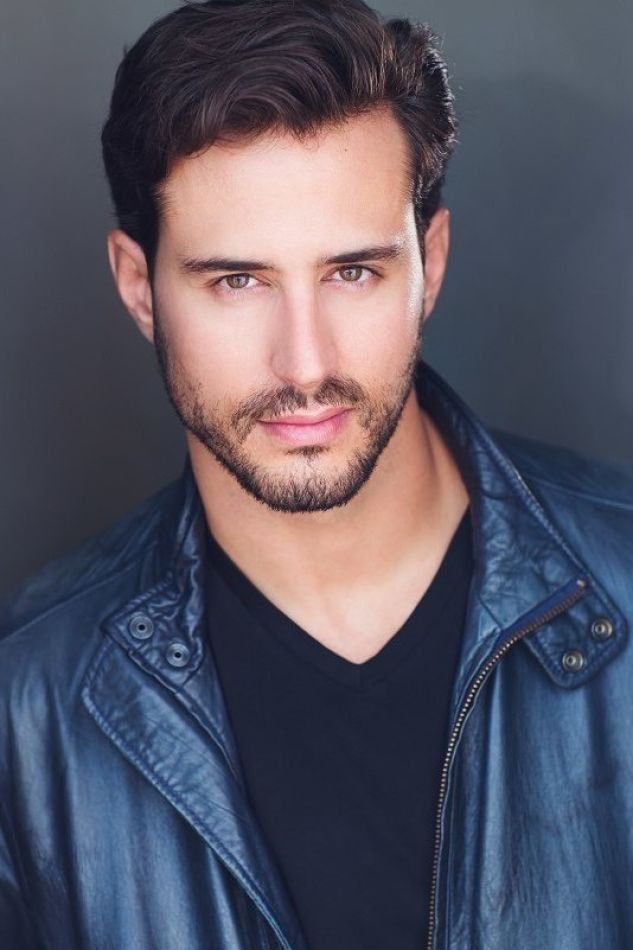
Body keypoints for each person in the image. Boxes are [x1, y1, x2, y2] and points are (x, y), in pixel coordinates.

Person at [1, 0, 632, 947]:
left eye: (352, 273)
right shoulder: (26, 705)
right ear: (139, 288)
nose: (304, 364)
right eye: (237, 281)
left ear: (430, 263)